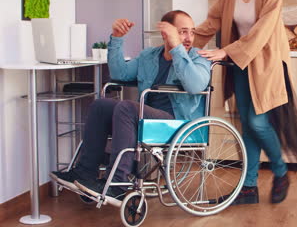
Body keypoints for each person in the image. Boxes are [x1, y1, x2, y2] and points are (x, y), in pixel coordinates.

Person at [50, 10, 211, 207]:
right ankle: (85, 172)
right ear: (165, 34)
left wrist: (177, 47)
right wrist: (117, 39)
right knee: (100, 105)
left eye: (191, 32)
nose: (188, 38)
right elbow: (119, 73)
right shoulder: (149, 55)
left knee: (126, 108)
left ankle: (117, 184)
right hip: (147, 117)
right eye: (182, 32)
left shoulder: (198, 58)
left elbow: (195, 85)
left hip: (177, 122)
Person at [194, 0, 297, 205]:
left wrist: (226, 51)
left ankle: (281, 172)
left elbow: (263, 30)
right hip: (241, 61)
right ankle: (248, 188)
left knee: (257, 122)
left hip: (267, 61)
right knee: (248, 127)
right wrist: (187, 42)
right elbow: (213, 20)